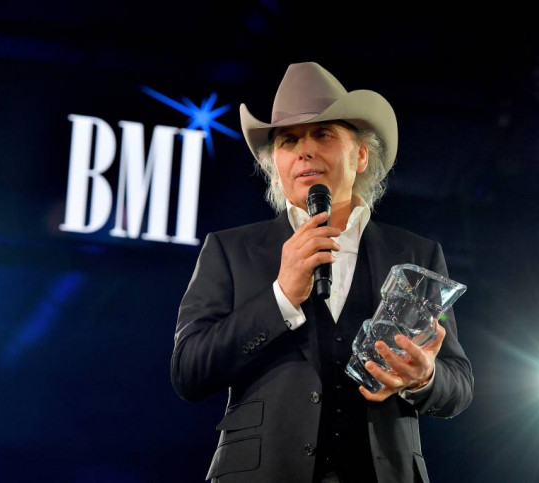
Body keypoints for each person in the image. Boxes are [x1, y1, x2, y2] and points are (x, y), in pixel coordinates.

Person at [171, 62, 473, 483]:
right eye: (289, 140)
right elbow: (188, 372)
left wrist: (424, 377)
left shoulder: (417, 253)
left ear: (361, 155)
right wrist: (281, 295)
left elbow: (458, 385)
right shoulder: (230, 249)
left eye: (324, 134)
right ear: (276, 164)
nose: (305, 151)